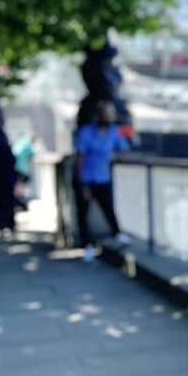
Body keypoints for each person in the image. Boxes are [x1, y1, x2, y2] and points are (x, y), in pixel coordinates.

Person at [73, 100, 129, 262]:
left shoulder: (113, 131)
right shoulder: (86, 132)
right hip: (85, 178)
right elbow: (79, 158)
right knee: (83, 213)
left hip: (102, 177)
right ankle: (87, 246)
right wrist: (81, 183)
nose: (111, 116)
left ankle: (117, 233)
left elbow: (122, 149)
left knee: (108, 207)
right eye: (108, 113)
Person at [12, 132, 36, 210]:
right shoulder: (28, 144)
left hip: (15, 167)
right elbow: (33, 154)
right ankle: (18, 201)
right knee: (19, 184)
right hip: (21, 168)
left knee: (18, 184)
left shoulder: (20, 142)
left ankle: (17, 200)